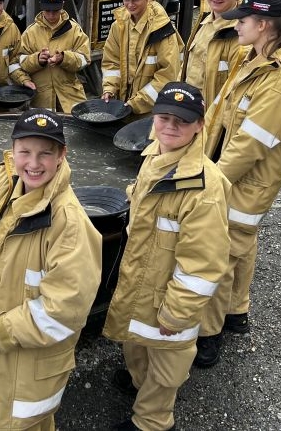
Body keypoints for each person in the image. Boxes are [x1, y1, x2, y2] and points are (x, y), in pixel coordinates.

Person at [0, 109, 103, 431]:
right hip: (16, 339)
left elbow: (66, 309)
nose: (34, 163)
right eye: (25, 152)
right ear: (13, 151)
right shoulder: (9, 180)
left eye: (45, 153)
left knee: (11, 423)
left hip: (33, 353)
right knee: (34, 422)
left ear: (61, 156)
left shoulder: (69, 224)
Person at [194, 0, 281, 368]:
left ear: (263, 26)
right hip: (231, 176)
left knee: (219, 255)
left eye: (242, 20)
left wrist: (206, 182)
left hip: (244, 185)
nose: (236, 25)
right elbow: (219, 117)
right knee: (240, 247)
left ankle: (208, 337)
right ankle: (236, 313)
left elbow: (247, 148)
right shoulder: (254, 60)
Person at [103, 82, 230, 431]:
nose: (170, 126)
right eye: (163, 117)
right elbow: (148, 199)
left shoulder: (205, 188)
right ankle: (137, 381)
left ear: (201, 125)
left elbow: (202, 267)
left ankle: (153, 421)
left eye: (182, 120)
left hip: (169, 296)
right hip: (143, 279)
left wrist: (177, 315)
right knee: (137, 340)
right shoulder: (155, 155)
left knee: (166, 361)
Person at [101, 0, 184, 117]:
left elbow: (168, 76)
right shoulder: (118, 26)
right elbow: (111, 63)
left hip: (152, 113)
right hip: (125, 107)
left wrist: (136, 103)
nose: (130, 4)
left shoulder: (162, 30)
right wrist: (109, 89)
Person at [182, 0, 246, 108]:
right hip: (189, 112)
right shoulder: (205, 18)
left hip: (211, 120)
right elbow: (188, 67)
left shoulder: (242, 32)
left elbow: (235, 94)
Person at [18, 0, 91, 112]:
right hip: (41, 99)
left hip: (70, 98)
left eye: (55, 10)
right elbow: (20, 61)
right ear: (41, 7)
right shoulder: (30, 32)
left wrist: (64, 58)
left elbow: (84, 59)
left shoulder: (74, 29)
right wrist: (37, 60)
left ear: (62, 6)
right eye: (47, 10)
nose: (51, 15)